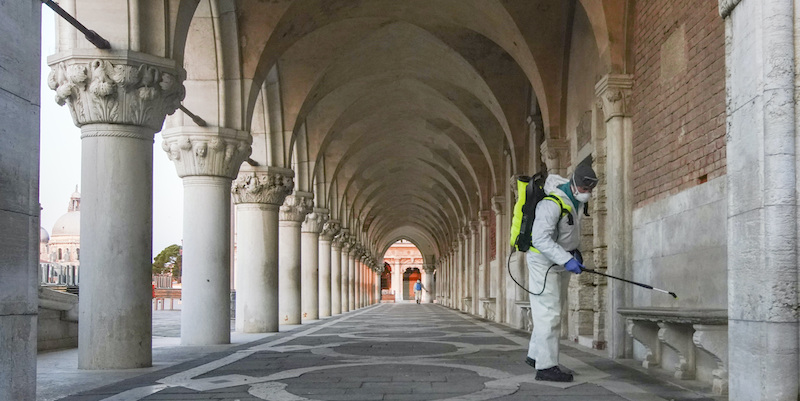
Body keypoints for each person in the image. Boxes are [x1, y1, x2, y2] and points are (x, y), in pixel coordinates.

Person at [525, 162, 597, 382]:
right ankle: (546, 367)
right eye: (584, 190)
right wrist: (566, 258)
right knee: (549, 313)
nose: (587, 194)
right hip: (543, 264)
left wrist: (574, 254)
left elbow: (566, 232)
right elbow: (540, 239)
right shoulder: (551, 203)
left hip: (560, 262)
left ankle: (536, 355)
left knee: (552, 309)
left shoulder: (573, 201)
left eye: (590, 190)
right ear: (574, 184)